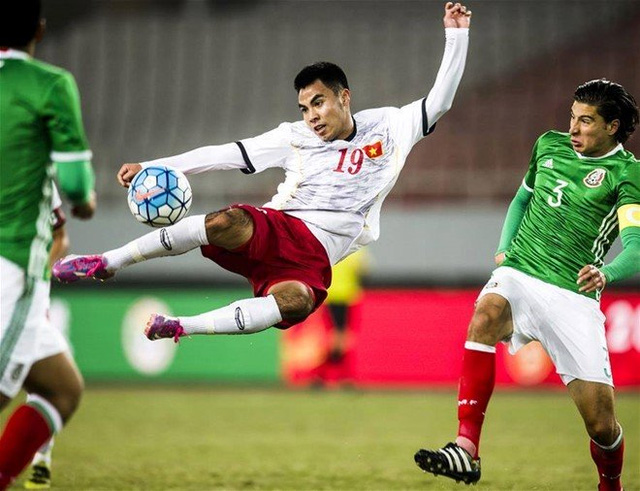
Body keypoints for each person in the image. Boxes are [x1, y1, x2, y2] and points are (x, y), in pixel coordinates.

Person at [52, 3, 472, 343]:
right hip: (281, 227)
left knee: (296, 303)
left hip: (319, 256)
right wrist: (155, 166)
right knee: (226, 221)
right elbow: (225, 154)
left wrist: (456, 36)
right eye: (304, 108)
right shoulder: (294, 136)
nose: (311, 116)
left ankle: (180, 326)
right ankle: (107, 262)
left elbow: (439, 102)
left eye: (319, 103)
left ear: (344, 97)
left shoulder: (390, 125)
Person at [414, 79, 639, 490]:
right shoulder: (549, 146)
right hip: (520, 271)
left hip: (572, 295)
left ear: (613, 127)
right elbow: (522, 198)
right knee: (486, 315)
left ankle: (611, 484)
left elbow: (636, 249)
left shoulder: (627, 174)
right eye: (572, 117)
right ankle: (466, 447)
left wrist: (606, 273)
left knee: (602, 425)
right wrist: (504, 248)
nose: (573, 128)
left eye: (586, 121)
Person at [0, 0, 97, 488]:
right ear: (39, 29)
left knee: (62, 389)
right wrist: (85, 201)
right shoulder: (49, 84)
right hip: (11, 262)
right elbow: (75, 186)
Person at [23, 186, 70, 490]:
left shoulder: (40, 178)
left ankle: (41, 458)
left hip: (27, 297)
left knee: (46, 383)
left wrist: (37, 277)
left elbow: (60, 237)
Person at [316, 247, 369, 386]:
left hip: (331, 297)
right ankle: (342, 376)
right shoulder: (356, 248)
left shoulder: (328, 248)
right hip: (348, 297)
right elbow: (364, 269)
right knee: (342, 338)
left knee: (335, 338)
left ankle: (324, 376)